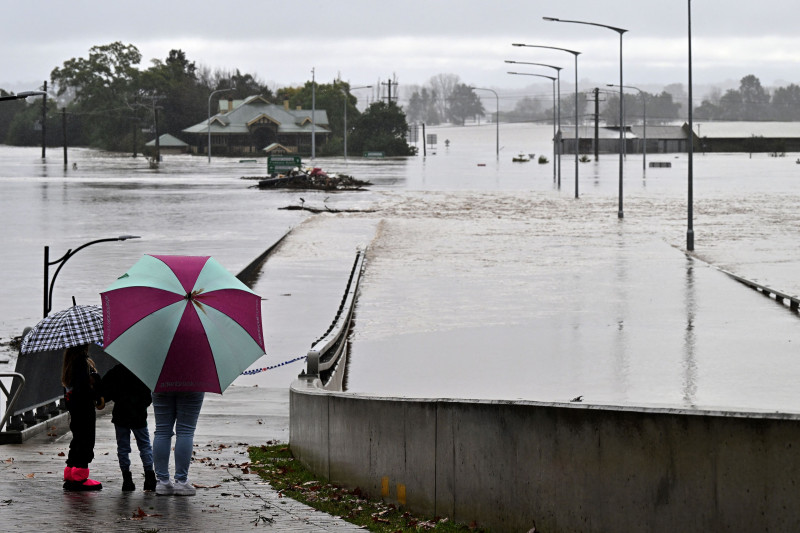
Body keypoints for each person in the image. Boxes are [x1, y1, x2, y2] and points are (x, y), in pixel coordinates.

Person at [102, 363, 156, 492]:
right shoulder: (143, 370)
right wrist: (141, 404)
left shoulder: (116, 371)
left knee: (123, 447)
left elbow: (106, 391)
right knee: (144, 445)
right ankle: (149, 477)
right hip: (138, 414)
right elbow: (149, 396)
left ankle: (127, 479)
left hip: (120, 413)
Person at [61, 344, 104, 491]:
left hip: (74, 408)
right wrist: (96, 383)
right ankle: (80, 476)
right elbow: (84, 389)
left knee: (77, 439)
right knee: (86, 440)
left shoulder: (70, 362)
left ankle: (71, 473)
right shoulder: (81, 362)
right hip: (84, 408)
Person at [151, 391, 205, 496]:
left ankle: (162, 481)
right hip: (192, 384)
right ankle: (181, 481)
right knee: (186, 431)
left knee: (162, 431)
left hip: (162, 384)